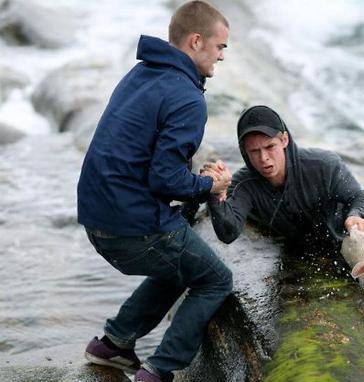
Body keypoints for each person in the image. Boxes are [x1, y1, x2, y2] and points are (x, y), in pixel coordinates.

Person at [77, 2, 232, 381]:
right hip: (132, 228)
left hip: (97, 221)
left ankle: (113, 345)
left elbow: (146, 163)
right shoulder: (187, 97)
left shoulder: (141, 74)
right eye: (220, 46)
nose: (222, 56)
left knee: (180, 260)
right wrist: (210, 185)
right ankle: (159, 369)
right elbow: (164, 179)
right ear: (196, 41)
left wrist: (193, 184)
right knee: (215, 279)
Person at [205, 105, 364, 257]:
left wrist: (355, 216)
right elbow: (228, 233)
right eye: (254, 151)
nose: (264, 158)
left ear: (284, 140)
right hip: (297, 253)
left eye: (270, 147)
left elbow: (360, 197)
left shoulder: (324, 165)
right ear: (244, 151)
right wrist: (215, 194)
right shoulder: (243, 184)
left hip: (344, 244)